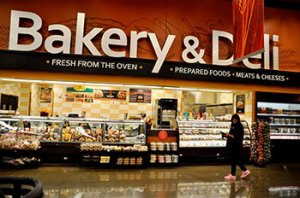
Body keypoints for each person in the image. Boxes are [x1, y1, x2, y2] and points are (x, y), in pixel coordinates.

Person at [222, 114, 251, 180]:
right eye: (233, 119)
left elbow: (236, 137)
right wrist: (227, 135)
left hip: (236, 146)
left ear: (238, 119)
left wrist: (228, 135)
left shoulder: (239, 126)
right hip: (233, 145)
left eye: (235, 119)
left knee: (235, 160)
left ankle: (245, 171)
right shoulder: (233, 125)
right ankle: (233, 174)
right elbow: (232, 135)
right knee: (234, 160)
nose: (234, 120)